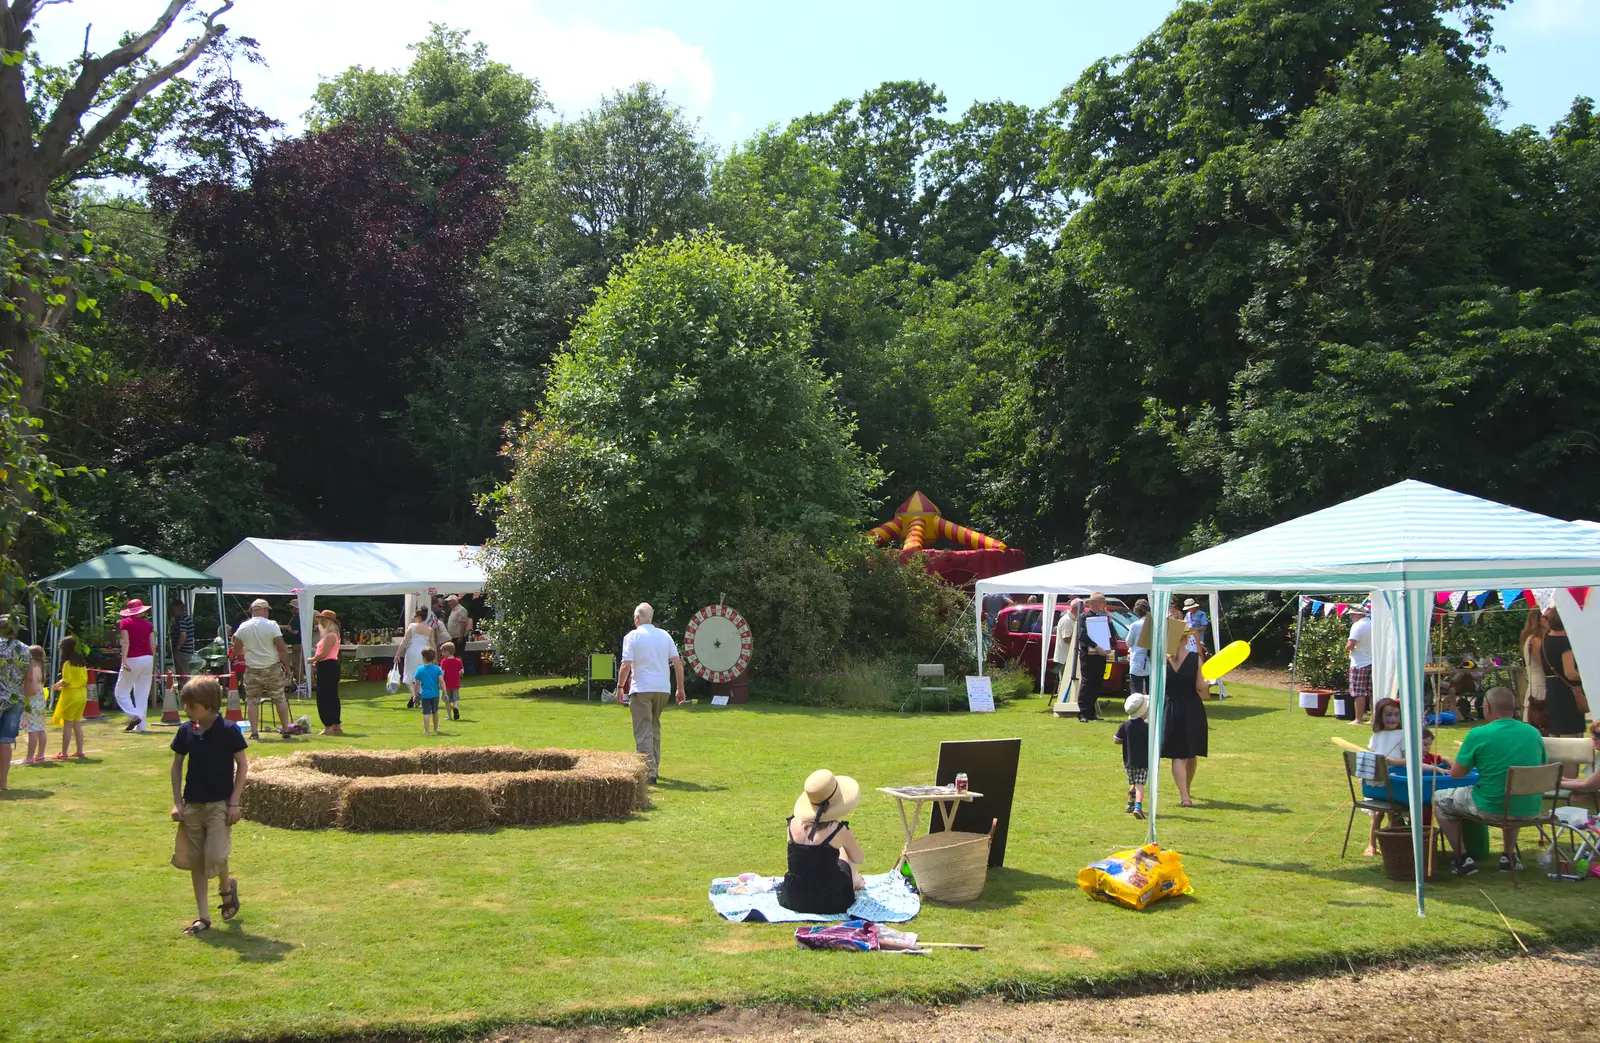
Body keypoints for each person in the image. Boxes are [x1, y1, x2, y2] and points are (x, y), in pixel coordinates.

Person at [1434, 687, 1548, 876]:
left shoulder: (1478, 734)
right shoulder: (1532, 732)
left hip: (1492, 807)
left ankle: (1462, 859)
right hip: (1530, 808)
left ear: (1486, 706)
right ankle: (1508, 857)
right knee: (1511, 794)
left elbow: (1456, 774)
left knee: (1439, 799)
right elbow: (1541, 765)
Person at [168, 674, 248, 936]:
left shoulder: (228, 730)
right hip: (192, 805)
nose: (187, 710)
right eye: (186, 706)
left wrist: (234, 802)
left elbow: (243, 764)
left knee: (215, 854)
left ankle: (226, 887)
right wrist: (178, 803)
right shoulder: (186, 730)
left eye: (192, 706)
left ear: (210, 705)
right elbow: (177, 765)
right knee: (197, 861)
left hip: (219, 805)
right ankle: (203, 916)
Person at [778, 769, 865, 915]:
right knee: (844, 853)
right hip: (828, 899)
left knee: (829, 855)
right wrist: (849, 837)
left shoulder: (791, 824)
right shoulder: (838, 830)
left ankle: (855, 881)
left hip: (794, 897)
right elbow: (858, 858)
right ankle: (856, 882)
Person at [616, 602, 685, 785]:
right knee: (654, 727)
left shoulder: (632, 636)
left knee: (643, 731)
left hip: (642, 688)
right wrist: (680, 688)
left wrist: (620, 686)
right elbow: (677, 662)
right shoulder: (664, 635)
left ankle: (648, 772)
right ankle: (654, 766)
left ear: (637, 618)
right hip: (663, 689)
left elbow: (626, 665)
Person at [1162, 601, 1209, 807]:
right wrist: (1208, 681)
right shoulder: (1195, 658)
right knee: (1190, 753)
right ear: (1186, 637)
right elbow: (1200, 687)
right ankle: (1187, 791)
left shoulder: (1162, 660)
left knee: (1177, 755)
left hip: (1170, 707)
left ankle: (1185, 796)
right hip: (1192, 708)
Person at [231, 600, 293, 741]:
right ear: (264, 610)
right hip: (272, 667)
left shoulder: (243, 627)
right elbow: (281, 648)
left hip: (252, 669)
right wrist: (287, 667)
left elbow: (237, 650)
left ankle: (254, 732)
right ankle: (285, 730)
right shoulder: (272, 625)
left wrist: (248, 650)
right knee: (279, 699)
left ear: (252, 610)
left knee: (252, 701)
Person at [1362, 697, 1406, 856]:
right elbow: (1373, 759)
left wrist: (1390, 761)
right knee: (1378, 813)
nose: (1393, 718)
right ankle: (1372, 845)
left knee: (1394, 813)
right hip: (1380, 781)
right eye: (1388, 715)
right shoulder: (1377, 736)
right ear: (1380, 717)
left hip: (1397, 780)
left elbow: (1408, 761)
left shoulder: (1402, 735)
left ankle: (1394, 846)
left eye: (1396, 714)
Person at [1540, 607, 1587, 738]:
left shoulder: (1546, 640)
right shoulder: (1565, 643)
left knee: (1557, 731)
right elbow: (1570, 672)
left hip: (1552, 688)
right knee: (1570, 733)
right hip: (1566, 692)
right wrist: (1588, 677)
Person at [114, 597, 156, 733]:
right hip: (147, 658)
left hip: (133, 658)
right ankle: (141, 726)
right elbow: (153, 645)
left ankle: (134, 716)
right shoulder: (148, 625)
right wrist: (152, 659)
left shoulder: (125, 623)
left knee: (121, 692)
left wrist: (123, 660)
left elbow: (126, 642)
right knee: (142, 693)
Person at [0, 615, 29, 791]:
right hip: (15, 698)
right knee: (5, 741)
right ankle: (2, 784)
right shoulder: (25, 649)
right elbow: (30, 678)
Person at [1075, 593, 1113, 723]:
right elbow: (1082, 635)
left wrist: (1110, 622)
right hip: (1088, 653)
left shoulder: (1104, 617)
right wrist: (1096, 646)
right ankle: (1083, 712)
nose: (1104, 605)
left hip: (1101, 654)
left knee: (1097, 682)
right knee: (1087, 682)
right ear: (1096, 603)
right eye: (1102, 602)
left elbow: (1111, 635)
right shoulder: (1083, 617)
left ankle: (1091, 712)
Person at [50, 635, 89, 760]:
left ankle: (64, 752)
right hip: (82, 695)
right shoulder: (82, 664)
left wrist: (58, 685)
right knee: (77, 723)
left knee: (67, 725)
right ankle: (80, 751)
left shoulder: (67, 664)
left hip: (71, 696)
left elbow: (67, 681)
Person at [306, 610, 342, 736]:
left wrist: (312, 659)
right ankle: (336, 724)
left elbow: (324, 653)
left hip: (327, 665)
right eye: (320, 621)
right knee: (331, 695)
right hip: (328, 665)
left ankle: (328, 725)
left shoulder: (331, 636)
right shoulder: (330, 636)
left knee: (324, 696)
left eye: (324, 621)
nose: (321, 623)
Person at [1115, 693, 1150, 820]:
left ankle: (1130, 802)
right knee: (1140, 784)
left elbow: (1116, 740)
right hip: (1143, 761)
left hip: (1128, 761)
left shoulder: (1124, 725)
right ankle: (1138, 806)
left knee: (1134, 782)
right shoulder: (1146, 728)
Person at [395, 609, 435, 707]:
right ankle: (418, 694)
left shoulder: (412, 627)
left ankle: (414, 695)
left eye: (415, 616)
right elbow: (433, 645)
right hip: (424, 653)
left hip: (412, 652)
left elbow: (404, 641)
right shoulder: (429, 629)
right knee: (421, 676)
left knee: (409, 675)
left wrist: (398, 654)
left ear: (419, 617)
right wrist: (435, 658)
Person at [1519, 608, 1549, 726]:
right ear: (1537, 620)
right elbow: (1545, 664)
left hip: (1538, 683)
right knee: (1540, 720)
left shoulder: (1533, 638)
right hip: (1539, 686)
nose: (1548, 621)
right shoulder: (1535, 640)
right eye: (1545, 618)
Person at [1345, 605, 1373, 726]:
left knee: (1359, 692)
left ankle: (1358, 719)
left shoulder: (1357, 626)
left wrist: (1346, 648)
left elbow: (1351, 644)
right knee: (1373, 692)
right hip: (1375, 661)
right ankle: (1374, 718)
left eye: (1352, 615)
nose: (1351, 617)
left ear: (1358, 615)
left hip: (1360, 662)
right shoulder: (1374, 624)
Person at [20, 645, 47, 765]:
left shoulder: (32, 667)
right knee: (40, 728)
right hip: (40, 700)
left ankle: (29, 758)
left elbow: (32, 688)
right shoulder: (40, 667)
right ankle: (40, 755)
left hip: (33, 700)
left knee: (32, 731)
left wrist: (24, 699)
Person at [1052, 598, 1082, 698]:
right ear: (1076, 609)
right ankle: (1061, 701)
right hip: (1065, 657)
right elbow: (1066, 638)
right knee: (1064, 680)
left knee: (1070, 679)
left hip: (1070, 656)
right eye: (1081, 608)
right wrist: (1079, 639)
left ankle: (1069, 699)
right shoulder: (1067, 620)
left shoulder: (1074, 619)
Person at [413, 647, 444, 736]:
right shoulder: (437, 669)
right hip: (435, 693)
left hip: (425, 694)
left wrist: (416, 694)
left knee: (426, 713)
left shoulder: (420, 669)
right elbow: (441, 681)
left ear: (424, 658)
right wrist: (445, 692)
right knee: (435, 711)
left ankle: (427, 731)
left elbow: (416, 684)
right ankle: (436, 728)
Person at [1126, 599, 1152, 696]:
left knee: (1137, 692)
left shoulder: (1135, 625)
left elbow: (1128, 642)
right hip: (1150, 659)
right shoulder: (1153, 624)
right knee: (1150, 692)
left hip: (1137, 659)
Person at [446, 596, 473, 674]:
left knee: (458, 654)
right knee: (454, 654)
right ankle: (455, 671)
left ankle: (460, 672)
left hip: (458, 636)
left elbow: (463, 624)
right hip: (453, 636)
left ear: (455, 601)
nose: (448, 603)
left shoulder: (461, 610)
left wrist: (461, 636)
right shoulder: (453, 610)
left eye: (450, 601)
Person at [168, 598, 196, 674]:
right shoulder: (186, 618)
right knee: (184, 672)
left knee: (183, 673)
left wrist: (177, 648)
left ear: (177, 609)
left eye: (172, 609)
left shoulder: (182, 620)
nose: (171, 611)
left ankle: (185, 686)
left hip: (182, 652)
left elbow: (183, 635)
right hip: (186, 651)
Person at [440, 641, 464, 721]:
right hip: (455, 683)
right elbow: (462, 671)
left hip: (446, 684)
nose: (442, 654)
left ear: (447, 652)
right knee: (455, 698)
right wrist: (459, 674)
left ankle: (449, 715)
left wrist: (440, 681)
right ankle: (456, 706)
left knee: (447, 700)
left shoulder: (444, 661)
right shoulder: (458, 661)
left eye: (443, 652)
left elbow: (442, 672)